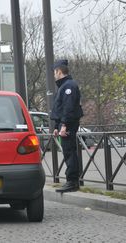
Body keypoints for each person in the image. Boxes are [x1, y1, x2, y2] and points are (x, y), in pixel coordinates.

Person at [50, 59, 84, 193]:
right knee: (67, 151)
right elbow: (61, 109)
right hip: (65, 124)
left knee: (69, 152)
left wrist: (64, 125)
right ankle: (72, 181)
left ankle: (72, 181)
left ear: (59, 71)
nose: (54, 75)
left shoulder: (68, 86)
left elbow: (68, 109)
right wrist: (57, 127)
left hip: (68, 124)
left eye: (54, 72)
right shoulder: (64, 86)